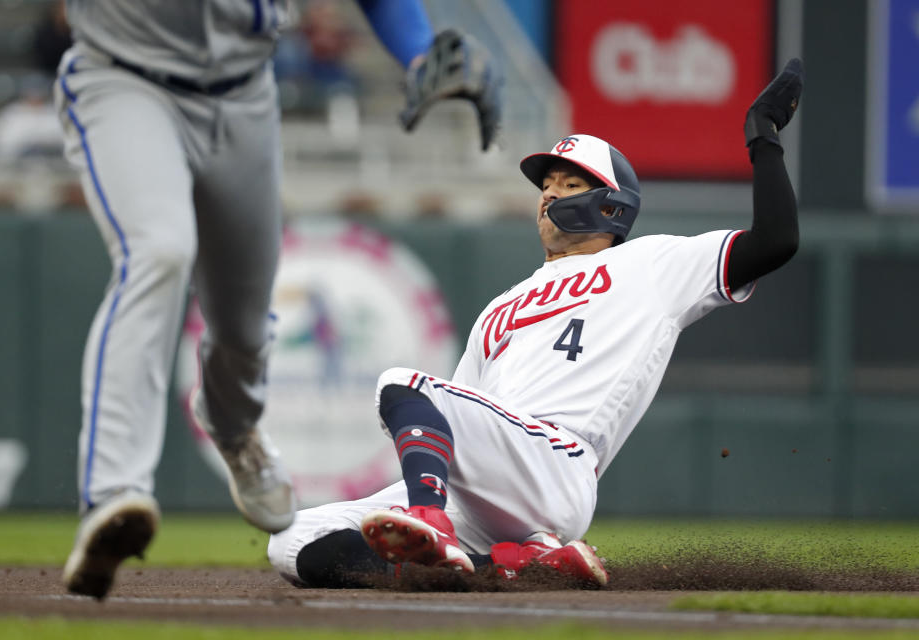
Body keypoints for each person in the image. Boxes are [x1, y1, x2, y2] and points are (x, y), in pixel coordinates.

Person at [266, 59, 805, 588]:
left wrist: (764, 136)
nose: (548, 194)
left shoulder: (652, 264)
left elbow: (775, 241)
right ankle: (516, 565)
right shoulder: (500, 307)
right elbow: (456, 423)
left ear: (612, 205)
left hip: (555, 463)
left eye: (569, 184)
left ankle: (432, 523)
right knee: (292, 540)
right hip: (487, 487)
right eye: (546, 185)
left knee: (402, 384)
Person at [56, 0, 502, 600]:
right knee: (157, 252)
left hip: (242, 94)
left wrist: (418, 49)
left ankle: (234, 424)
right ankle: (114, 493)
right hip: (123, 79)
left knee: (243, 318)